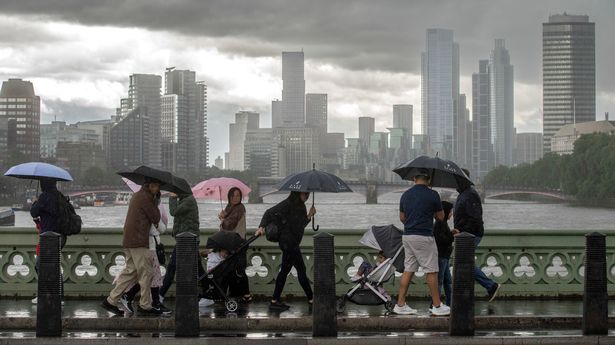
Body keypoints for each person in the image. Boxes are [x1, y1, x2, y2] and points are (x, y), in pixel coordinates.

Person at [102, 180, 162, 316]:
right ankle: (145, 305)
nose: (157, 189)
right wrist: (156, 200)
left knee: (130, 271)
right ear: (149, 186)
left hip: (129, 239)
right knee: (147, 273)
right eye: (155, 186)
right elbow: (156, 217)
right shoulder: (145, 198)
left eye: (158, 187)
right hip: (139, 241)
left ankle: (111, 300)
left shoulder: (137, 195)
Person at [395, 168, 450, 316]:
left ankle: (400, 304)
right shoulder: (432, 195)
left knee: (409, 269)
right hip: (424, 237)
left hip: (407, 236)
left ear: (414, 179)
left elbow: (402, 218)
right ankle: (437, 306)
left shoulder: (405, 195)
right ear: (429, 180)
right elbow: (440, 217)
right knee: (431, 270)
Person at [255, 191, 316, 311]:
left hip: (292, 243)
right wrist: (261, 227)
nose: (307, 196)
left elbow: (300, 225)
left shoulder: (301, 206)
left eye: (308, 194)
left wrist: (309, 215)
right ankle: (311, 298)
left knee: (285, 271)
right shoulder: (287, 204)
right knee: (301, 269)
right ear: (297, 193)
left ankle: (275, 299)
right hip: (288, 243)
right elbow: (269, 212)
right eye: (304, 193)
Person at [453, 168, 501, 301]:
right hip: (464, 235)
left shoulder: (470, 194)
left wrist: (462, 232)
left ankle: (491, 286)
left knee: (464, 262)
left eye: (457, 179)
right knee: (463, 263)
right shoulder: (463, 194)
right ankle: (465, 293)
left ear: (463, 180)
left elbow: (475, 218)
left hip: (470, 235)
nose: (455, 183)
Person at [119, 192, 171, 314]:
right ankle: (149, 302)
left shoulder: (140, 208)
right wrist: (159, 221)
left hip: (148, 245)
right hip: (149, 246)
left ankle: (136, 298)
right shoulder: (150, 210)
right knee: (151, 275)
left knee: (149, 275)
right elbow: (160, 228)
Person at [159, 190, 205, 302]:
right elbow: (180, 220)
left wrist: (172, 198)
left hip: (188, 240)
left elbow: (174, 212)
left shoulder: (188, 201)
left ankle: (160, 295)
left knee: (172, 266)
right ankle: (209, 293)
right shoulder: (185, 200)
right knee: (198, 269)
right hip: (185, 239)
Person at [30, 178, 65, 305]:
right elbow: (51, 216)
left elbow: (34, 212)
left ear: (43, 184)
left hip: (49, 237)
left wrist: (34, 202)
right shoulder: (59, 196)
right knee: (54, 266)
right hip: (60, 236)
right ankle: (58, 296)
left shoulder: (45, 196)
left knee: (40, 265)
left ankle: (44, 295)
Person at [218, 187, 251, 302]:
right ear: (229, 197)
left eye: (238, 195)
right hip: (231, 242)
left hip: (238, 243)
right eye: (233, 196)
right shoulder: (229, 208)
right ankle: (239, 294)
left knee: (238, 270)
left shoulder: (240, 208)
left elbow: (229, 225)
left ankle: (244, 294)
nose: (235, 198)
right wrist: (223, 216)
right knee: (234, 269)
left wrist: (223, 218)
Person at [433, 201, 454, 307]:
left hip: (444, 256)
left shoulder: (442, 223)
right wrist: (452, 236)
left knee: (447, 282)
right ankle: (435, 304)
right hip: (441, 256)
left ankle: (450, 304)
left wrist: (451, 233)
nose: (451, 214)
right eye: (450, 212)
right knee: (440, 281)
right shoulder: (440, 223)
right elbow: (441, 239)